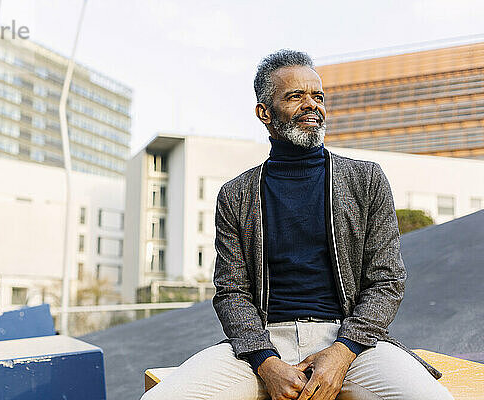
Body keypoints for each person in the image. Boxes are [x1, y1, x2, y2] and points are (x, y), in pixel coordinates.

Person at [141, 49, 453, 400]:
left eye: (318, 96)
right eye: (295, 96)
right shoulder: (236, 194)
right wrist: (266, 361)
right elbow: (231, 292)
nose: (312, 105)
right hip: (260, 344)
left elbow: (387, 280)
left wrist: (342, 351)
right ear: (264, 112)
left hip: (352, 341)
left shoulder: (366, 180)